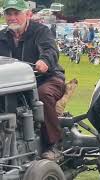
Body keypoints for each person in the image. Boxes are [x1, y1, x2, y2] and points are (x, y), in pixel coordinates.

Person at [0, 0, 65, 160]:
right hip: (15, 86)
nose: (12, 17)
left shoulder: (40, 31)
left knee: (42, 95)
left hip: (47, 79)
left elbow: (51, 50)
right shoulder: (2, 36)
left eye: (17, 13)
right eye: (9, 14)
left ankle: (54, 145)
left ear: (28, 14)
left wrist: (44, 61)